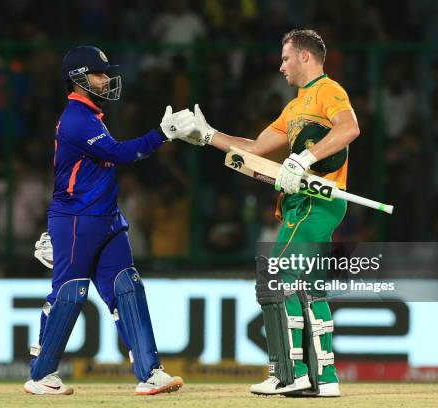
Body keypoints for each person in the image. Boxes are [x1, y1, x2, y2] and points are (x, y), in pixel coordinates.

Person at [185, 29, 360, 397]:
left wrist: (305, 158)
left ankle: (287, 373)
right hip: (303, 204)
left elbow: (349, 128)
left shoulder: (329, 91)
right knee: (308, 289)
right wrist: (206, 134)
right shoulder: (295, 107)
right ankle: (323, 379)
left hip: (317, 201)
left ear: (306, 58)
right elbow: (254, 149)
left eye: (285, 58)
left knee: (275, 278)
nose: (280, 66)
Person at [23, 45, 194, 396]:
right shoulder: (75, 119)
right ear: (79, 79)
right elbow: (118, 154)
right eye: (99, 74)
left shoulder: (91, 117)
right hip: (77, 218)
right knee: (70, 293)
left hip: (106, 218)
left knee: (128, 286)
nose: (106, 79)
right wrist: (161, 134)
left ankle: (150, 373)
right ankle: (41, 375)